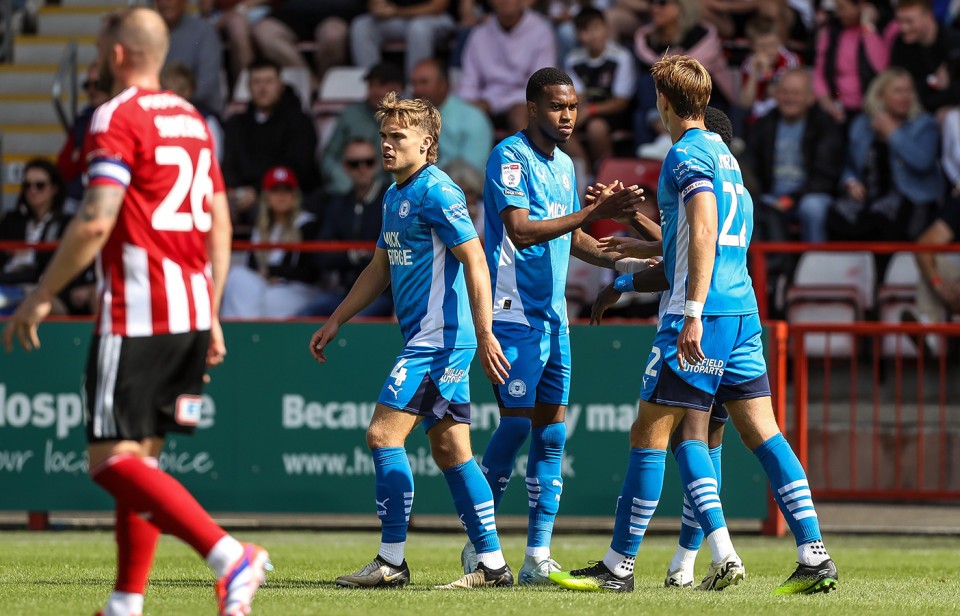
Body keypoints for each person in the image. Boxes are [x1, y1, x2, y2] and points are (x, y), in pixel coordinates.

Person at [2, 9, 268, 616]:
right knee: (141, 459)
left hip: (136, 311)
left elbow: (97, 218)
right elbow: (220, 222)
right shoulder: (195, 121)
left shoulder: (115, 116)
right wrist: (213, 308)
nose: (95, 57)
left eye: (99, 46)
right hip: (191, 310)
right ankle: (126, 602)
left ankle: (228, 554)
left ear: (118, 53)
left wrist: (42, 293)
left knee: (109, 462)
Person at [549, 54, 837, 595]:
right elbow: (707, 240)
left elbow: (702, 232)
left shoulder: (682, 156)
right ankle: (814, 552)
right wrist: (639, 252)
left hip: (699, 314)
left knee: (650, 433)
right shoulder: (727, 156)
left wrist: (694, 311)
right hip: (743, 311)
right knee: (764, 434)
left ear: (663, 101)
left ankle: (619, 565)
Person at [309, 92, 515, 589]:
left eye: (397, 136)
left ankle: (391, 561)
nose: (386, 144)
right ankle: (491, 565)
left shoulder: (437, 192)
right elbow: (380, 268)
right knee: (451, 451)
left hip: (439, 339)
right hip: (435, 337)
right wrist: (338, 317)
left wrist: (485, 332)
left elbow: (475, 260)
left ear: (427, 144)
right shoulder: (395, 194)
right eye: (384, 135)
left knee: (383, 435)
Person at [463, 67, 645, 585]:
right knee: (517, 424)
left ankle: (537, 556)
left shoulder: (565, 165)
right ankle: (480, 546)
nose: (567, 116)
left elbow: (570, 239)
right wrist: (592, 215)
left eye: (573, 107)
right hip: (511, 312)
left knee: (551, 436)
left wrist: (625, 260)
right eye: (556, 107)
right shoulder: (509, 157)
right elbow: (520, 232)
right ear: (532, 109)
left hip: (553, 319)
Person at [829, 67, 942, 242]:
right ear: (880, 95)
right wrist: (850, 182)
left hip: (910, 195)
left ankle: (881, 270)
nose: (905, 96)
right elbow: (849, 164)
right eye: (898, 91)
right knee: (837, 215)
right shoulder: (862, 124)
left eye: (908, 90)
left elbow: (922, 162)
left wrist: (893, 133)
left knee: (880, 220)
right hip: (869, 195)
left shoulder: (924, 124)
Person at [743, 68, 844, 243]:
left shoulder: (825, 126)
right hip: (770, 197)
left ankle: (814, 262)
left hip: (810, 196)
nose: (789, 98)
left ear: (810, 97)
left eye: (796, 93)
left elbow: (825, 178)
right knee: (748, 205)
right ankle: (765, 268)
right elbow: (751, 168)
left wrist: (790, 200)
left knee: (812, 208)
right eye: (785, 92)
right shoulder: (763, 124)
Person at [221, 58, 319, 237]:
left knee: (263, 209)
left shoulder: (299, 122)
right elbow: (228, 165)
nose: (262, 88)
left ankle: (266, 263)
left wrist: (258, 191)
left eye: (268, 81)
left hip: (279, 196)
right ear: (249, 87)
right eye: (256, 82)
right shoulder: (236, 124)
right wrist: (233, 191)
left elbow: (299, 168)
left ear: (280, 85)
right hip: (239, 197)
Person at [298, 138, 393, 318]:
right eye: (354, 163)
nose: (362, 168)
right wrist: (356, 254)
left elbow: (390, 256)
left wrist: (347, 254)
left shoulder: (391, 200)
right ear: (345, 167)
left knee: (352, 322)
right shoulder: (338, 205)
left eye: (368, 162)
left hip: (383, 294)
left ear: (377, 165)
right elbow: (321, 256)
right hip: (345, 292)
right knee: (303, 317)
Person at [221, 166, 321, 318]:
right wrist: (267, 275)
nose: (281, 195)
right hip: (265, 285)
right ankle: (239, 336)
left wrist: (272, 272)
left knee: (272, 299)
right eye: (275, 190)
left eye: (286, 190)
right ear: (267, 196)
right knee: (237, 276)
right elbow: (251, 266)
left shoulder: (307, 224)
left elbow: (311, 272)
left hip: (297, 289)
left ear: (295, 195)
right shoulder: (261, 226)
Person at [458, 0, 557, 133]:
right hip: (485, 102)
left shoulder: (541, 30)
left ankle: (529, 154)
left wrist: (493, 103)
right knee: (460, 115)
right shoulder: (479, 33)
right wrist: (469, 104)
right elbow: (468, 82)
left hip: (522, 100)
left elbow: (540, 86)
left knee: (520, 114)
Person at [564, 7, 636, 169]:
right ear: (578, 35)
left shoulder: (620, 57)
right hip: (586, 109)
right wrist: (578, 113)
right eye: (585, 31)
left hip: (615, 112)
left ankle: (604, 173)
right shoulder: (573, 59)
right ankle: (585, 172)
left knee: (596, 128)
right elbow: (578, 95)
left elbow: (621, 102)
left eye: (597, 28)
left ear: (606, 28)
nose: (593, 35)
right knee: (560, 125)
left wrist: (589, 110)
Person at [0, 160, 73, 314]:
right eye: (27, 185)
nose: (32, 191)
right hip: (7, 282)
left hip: (43, 291)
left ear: (54, 188)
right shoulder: (11, 220)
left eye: (40, 185)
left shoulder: (66, 224)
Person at [320, 62, 404, 195]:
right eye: (371, 85)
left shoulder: (410, 120)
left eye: (380, 85)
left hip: (390, 194)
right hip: (349, 190)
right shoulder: (351, 114)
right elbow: (328, 158)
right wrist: (345, 182)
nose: (374, 91)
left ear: (397, 89)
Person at [812, 0, 891, 126]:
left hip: (870, 107)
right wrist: (826, 101)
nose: (838, 14)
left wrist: (868, 27)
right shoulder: (831, 32)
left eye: (843, 8)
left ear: (862, 5)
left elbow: (882, 68)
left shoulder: (881, 28)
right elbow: (819, 72)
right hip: (836, 103)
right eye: (837, 8)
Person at [411, 58, 493, 176]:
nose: (417, 89)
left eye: (424, 82)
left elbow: (469, 176)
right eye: (414, 83)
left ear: (443, 85)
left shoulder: (473, 119)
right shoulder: (408, 119)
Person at [350, 0, 457, 79]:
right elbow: (375, 4)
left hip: (435, 18)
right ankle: (372, 84)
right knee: (362, 26)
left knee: (418, 28)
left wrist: (397, 12)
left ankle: (415, 89)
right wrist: (378, 9)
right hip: (398, 20)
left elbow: (438, 6)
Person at [889, 0, 960, 115]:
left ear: (928, 16)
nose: (903, 28)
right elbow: (896, 84)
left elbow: (955, 92)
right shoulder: (900, 44)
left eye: (909, 21)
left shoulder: (954, 43)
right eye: (899, 21)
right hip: (910, 111)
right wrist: (932, 82)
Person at [57, 63, 113, 206]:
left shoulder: (120, 117)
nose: (92, 90)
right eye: (87, 85)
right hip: (79, 196)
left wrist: (80, 156)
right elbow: (65, 164)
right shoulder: (82, 120)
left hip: (109, 196)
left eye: (97, 84)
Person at [154, 0, 224, 112]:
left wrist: (174, 102)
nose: (165, 3)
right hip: (156, 107)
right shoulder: (148, 33)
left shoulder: (204, 31)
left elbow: (207, 83)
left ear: (184, 2)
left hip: (199, 109)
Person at [738, 15, 802, 121]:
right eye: (762, 46)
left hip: (784, 116)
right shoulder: (749, 64)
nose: (769, 51)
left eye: (772, 44)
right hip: (758, 118)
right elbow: (745, 104)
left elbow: (780, 95)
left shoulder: (791, 60)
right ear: (753, 46)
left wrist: (767, 73)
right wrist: (754, 72)